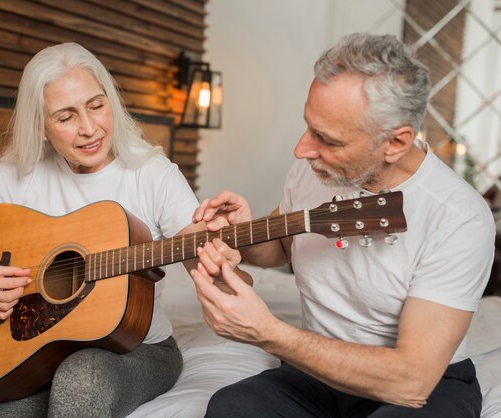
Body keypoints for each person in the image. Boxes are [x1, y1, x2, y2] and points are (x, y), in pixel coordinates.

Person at [0, 42, 238, 417]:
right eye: (65, 117)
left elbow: (222, 283)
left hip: (137, 349)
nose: (89, 129)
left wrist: (225, 269)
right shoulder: (14, 177)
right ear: (39, 126)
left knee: (82, 376)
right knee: (1, 410)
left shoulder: (154, 175)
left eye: (97, 105)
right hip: (35, 351)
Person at [190, 33, 495, 417]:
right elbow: (279, 250)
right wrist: (243, 232)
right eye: (308, 126)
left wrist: (267, 332)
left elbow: (411, 380)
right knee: (231, 407)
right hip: (316, 369)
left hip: (419, 382)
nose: (302, 150)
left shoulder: (458, 215)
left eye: (326, 139)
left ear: (396, 143)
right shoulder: (313, 170)